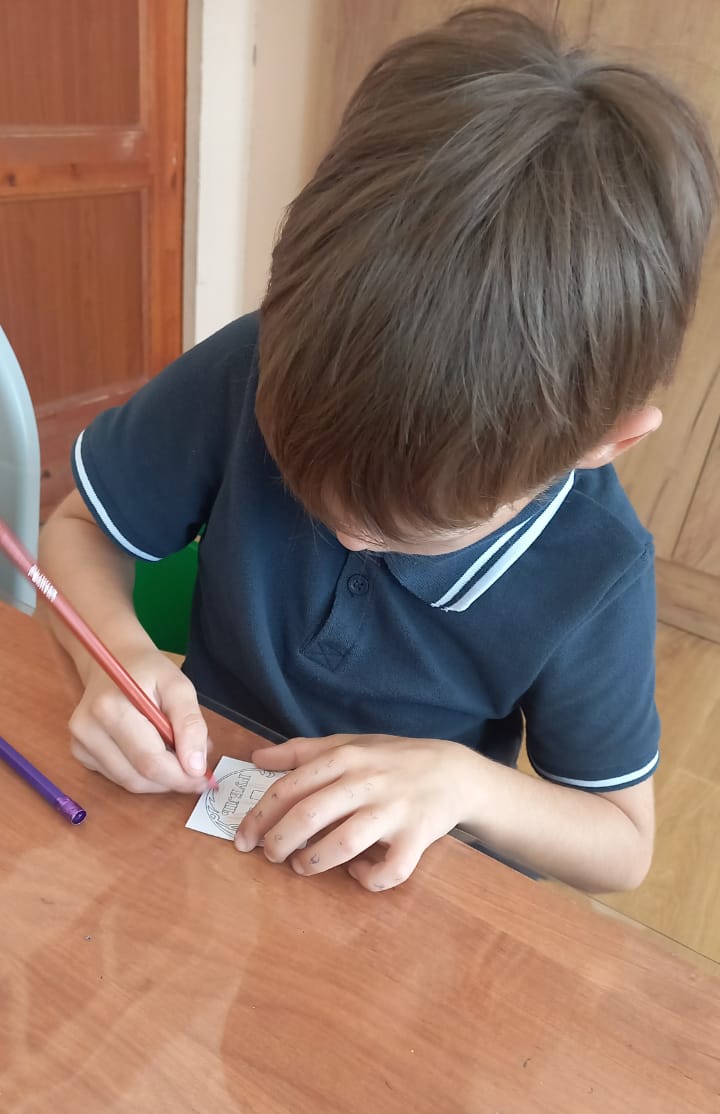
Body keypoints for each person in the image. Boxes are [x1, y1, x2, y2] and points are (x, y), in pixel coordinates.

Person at [39, 7, 718, 894]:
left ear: (604, 443)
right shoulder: (256, 364)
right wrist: (116, 658)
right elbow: (77, 529)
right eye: (301, 481)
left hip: (398, 896)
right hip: (195, 827)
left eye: (409, 527)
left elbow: (621, 847)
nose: (347, 537)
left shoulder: (596, 569)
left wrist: (463, 782)